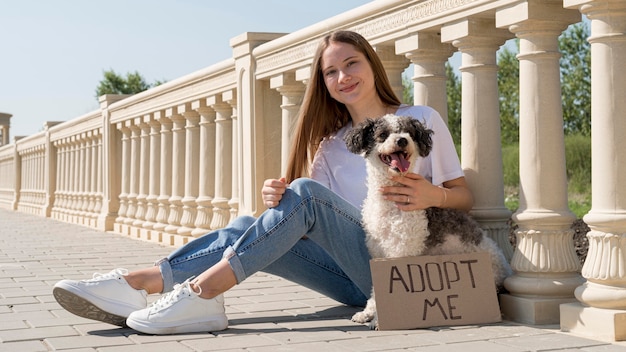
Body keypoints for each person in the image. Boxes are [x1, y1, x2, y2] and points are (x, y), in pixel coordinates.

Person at [53, 30, 473, 335]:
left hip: (401, 276)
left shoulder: (418, 121)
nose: (343, 76)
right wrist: (281, 203)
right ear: (323, 84)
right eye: (331, 72)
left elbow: (463, 195)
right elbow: (314, 222)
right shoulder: (329, 146)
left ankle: (197, 291)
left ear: (371, 64)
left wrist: (432, 194)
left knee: (301, 198)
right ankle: (141, 283)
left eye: (351, 63)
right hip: (351, 279)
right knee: (249, 225)